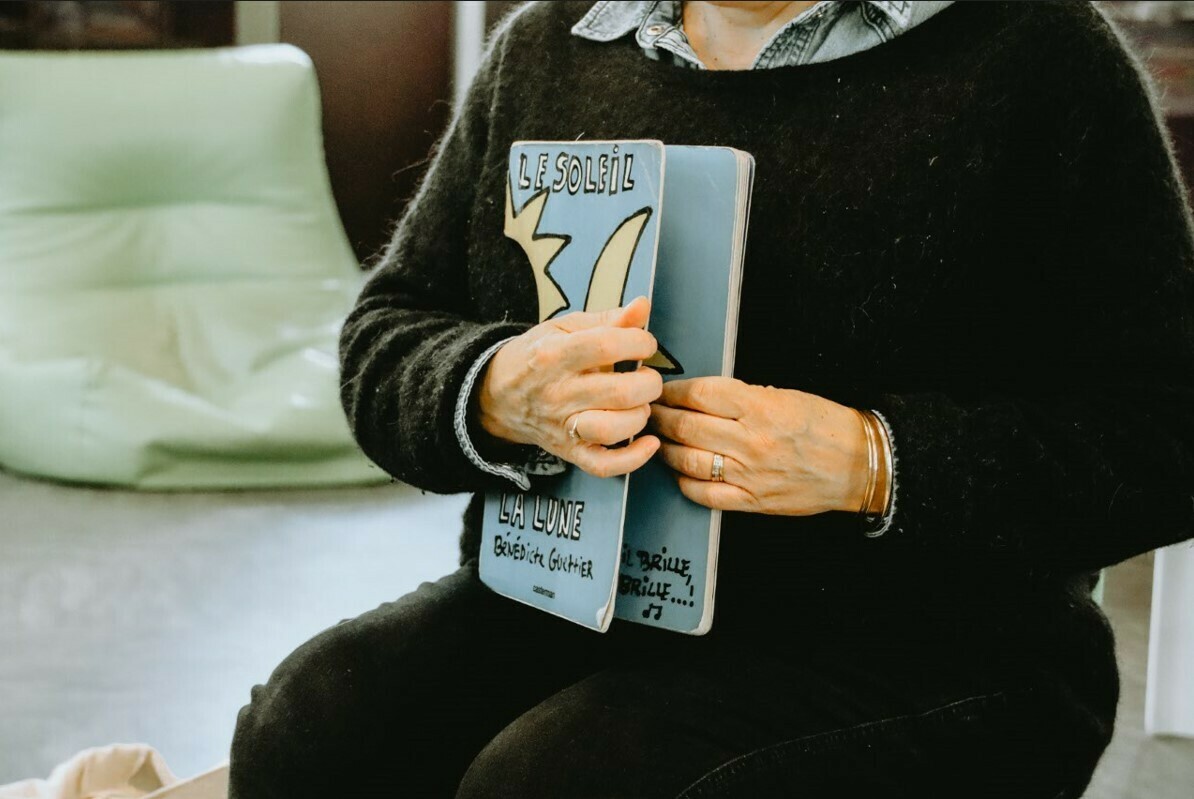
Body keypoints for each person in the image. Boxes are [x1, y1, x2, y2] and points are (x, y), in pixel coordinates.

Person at [229, 2, 1194, 796]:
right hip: (571, 602)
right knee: (309, 726)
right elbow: (385, 332)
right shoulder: (546, 46)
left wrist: (876, 461)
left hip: (934, 645)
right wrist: (490, 389)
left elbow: (1165, 430)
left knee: (563, 779)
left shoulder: (1041, 52)